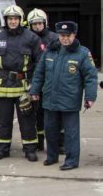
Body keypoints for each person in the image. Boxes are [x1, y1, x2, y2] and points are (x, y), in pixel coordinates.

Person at [30, 21, 97, 170]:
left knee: (71, 133)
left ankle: (71, 161)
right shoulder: (50, 51)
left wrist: (90, 97)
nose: (65, 38)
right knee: (50, 130)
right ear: (58, 35)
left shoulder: (82, 53)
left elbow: (91, 77)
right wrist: (34, 91)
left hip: (70, 101)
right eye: (62, 35)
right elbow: (39, 73)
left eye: (68, 35)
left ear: (74, 35)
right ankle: (52, 157)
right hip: (50, 99)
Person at [0, 6, 43, 162]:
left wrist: (35, 86)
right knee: (2, 121)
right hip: (2, 85)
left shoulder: (31, 38)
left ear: (20, 20)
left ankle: (30, 150)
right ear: (6, 20)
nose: (12, 21)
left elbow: (40, 63)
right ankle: (2, 149)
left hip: (24, 86)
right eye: (10, 19)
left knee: (27, 120)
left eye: (15, 18)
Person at [27, 8, 60, 151]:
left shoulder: (54, 38)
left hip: (52, 82)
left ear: (45, 23)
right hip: (35, 81)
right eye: (34, 24)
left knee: (56, 113)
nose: (37, 26)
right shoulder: (26, 38)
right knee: (38, 114)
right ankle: (39, 142)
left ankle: (60, 143)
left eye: (40, 23)